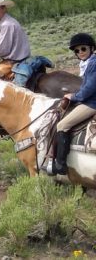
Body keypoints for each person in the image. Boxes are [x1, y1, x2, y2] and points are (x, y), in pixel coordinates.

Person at [51, 33, 96, 175]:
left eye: (83, 49)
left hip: (92, 103)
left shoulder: (94, 63)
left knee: (62, 125)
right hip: (90, 99)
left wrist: (74, 97)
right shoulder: (88, 63)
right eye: (77, 51)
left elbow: (90, 88)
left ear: (92, 48)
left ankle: (61, 165)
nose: (80, 52)